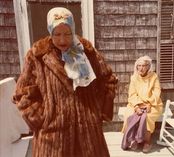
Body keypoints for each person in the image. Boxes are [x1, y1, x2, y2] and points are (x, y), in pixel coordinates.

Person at [12, 7, 117, 157]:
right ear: (50, 31)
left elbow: (107, 79)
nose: (62, 40)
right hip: (53, 136)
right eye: (57, 34)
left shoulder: (85, 51)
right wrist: (40, 118)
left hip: (87, 134)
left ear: (73, 29)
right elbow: (22, 92)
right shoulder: (38, 55)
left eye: (67, 34)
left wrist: (98, 110)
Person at [121, 55, 163, 153]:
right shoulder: (134, 78)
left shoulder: (154, 77)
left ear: (148, 66)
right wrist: (136, 106)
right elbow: (132, 94)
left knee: (147, 117)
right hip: (137, 103)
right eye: (138, 66)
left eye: (143, 66)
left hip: (153, 103)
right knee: (130, 114)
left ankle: (147, 142)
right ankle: (133, 139)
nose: (141, 68)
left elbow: (157, 92)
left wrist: (149, 103)